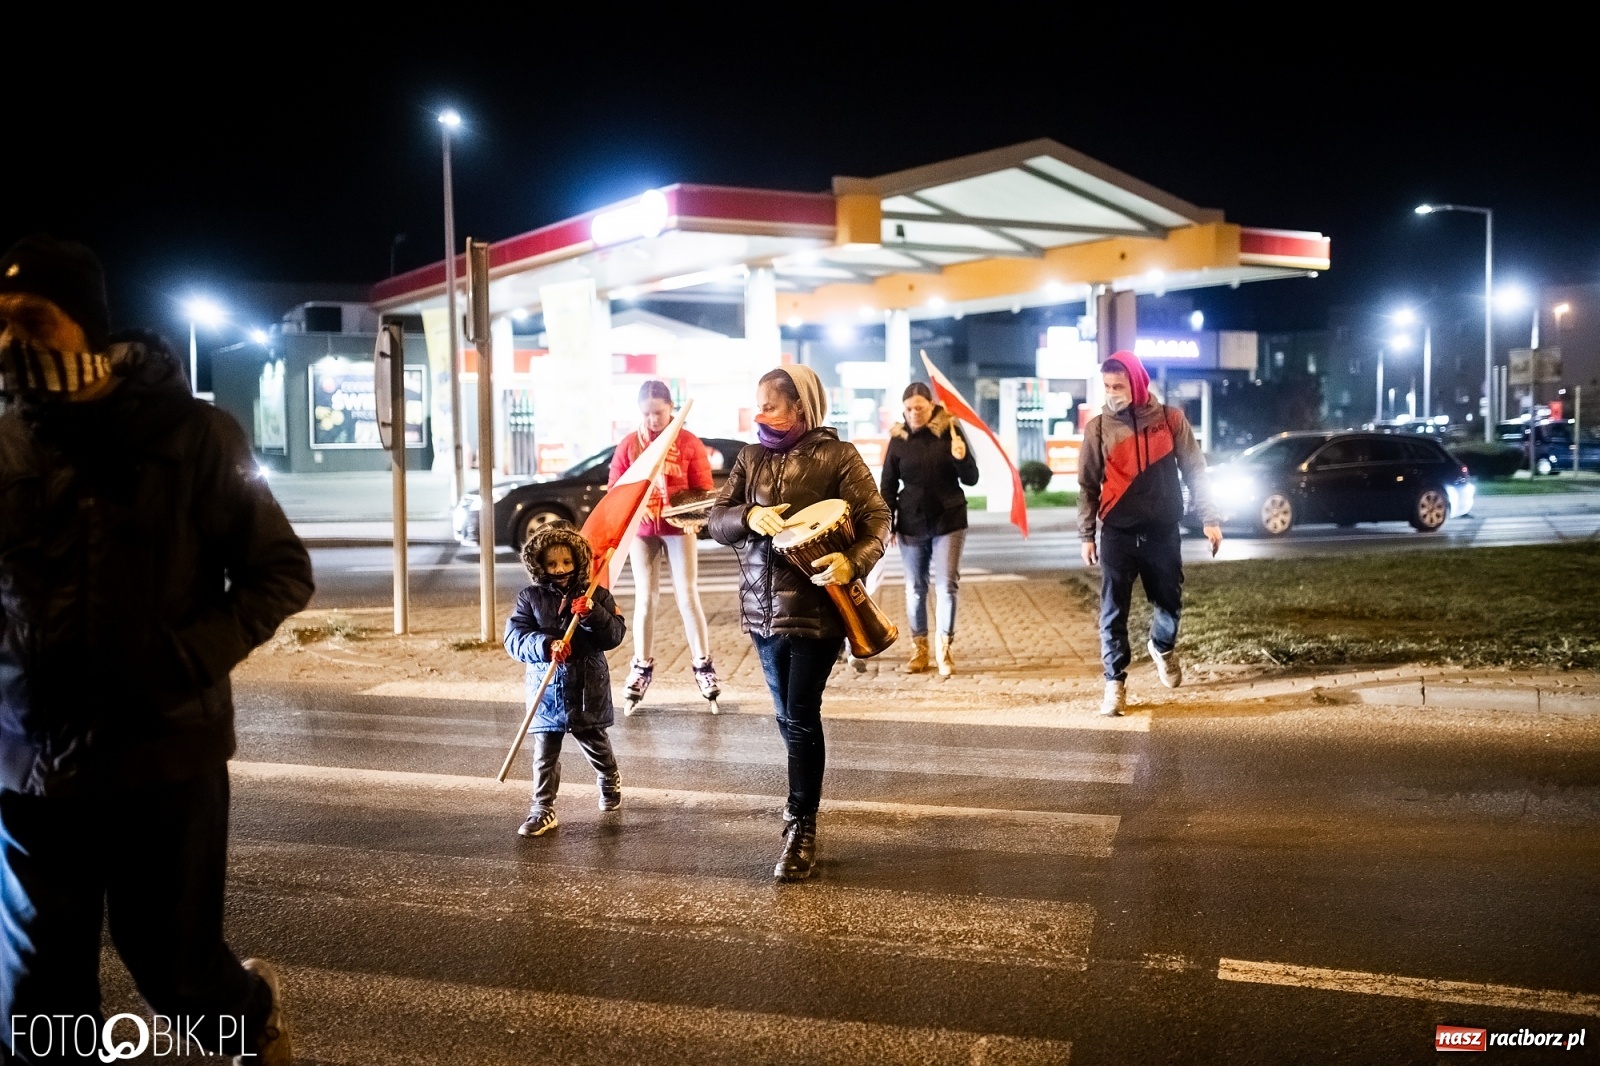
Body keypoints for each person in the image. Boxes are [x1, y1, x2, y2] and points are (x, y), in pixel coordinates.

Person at [0, 235, 312, 1065]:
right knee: (37, 996)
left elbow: (279, 572)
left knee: (176, 973)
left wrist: (187, 658)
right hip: (30, 770)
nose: (9, 345)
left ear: (85, 327)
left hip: (165, 756)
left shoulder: (198, 436)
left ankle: (250, 1018)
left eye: (30, 322)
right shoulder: (6, 445)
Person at [709, 366, 890, 882]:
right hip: (760, 609)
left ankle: (801, 824)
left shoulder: (839, 456)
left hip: (816, 610)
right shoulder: (750, 457)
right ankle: (800, 803)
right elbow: (717, 520)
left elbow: (877, 517)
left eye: (771, 405)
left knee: (802, 713)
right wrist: (747, 517)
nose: (760, 414)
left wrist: (853, 561)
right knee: (787, 716)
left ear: (802, 406)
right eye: (758, 404)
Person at [1077, 350, 1222, 717]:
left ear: (1137, 383)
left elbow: (1195, 471)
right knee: (1113, 613)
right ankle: (1115, 683)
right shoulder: (1098, 428)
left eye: (1119, 385)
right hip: (1117, 535)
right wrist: (1086, 534)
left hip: (1161, 532)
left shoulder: (1170, 420)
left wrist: (1210, 517)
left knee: (1169, 604)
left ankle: (1162, 646)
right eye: (1108, 386)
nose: (1113, 393)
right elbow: (1088, 485)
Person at [504, 525, 627, 838]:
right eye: (552, 564)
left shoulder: (595, 594)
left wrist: (592, 614)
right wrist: (545, 645)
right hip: (546, 689)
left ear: (578, 562)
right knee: (545, 751)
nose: (559, 570)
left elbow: (613, 635)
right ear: (539, 565)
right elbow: (515, 637)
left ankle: (608, 777)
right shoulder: (529, 598)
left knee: (594, 741)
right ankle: (542, 807)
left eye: (566, 563)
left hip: (587, 687)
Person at [607, 380, 719, 712]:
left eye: (658, 412)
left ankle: (703, 666)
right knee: (645, 598)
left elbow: (703, 487)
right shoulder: (630, 444)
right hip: (643, 529)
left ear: (671, 408)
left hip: (678, 525)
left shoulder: (686, 442)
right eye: (647, 414)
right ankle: (641, 666)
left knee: (687, 594)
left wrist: (690, 508)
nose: (653, 420)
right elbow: (616, 488)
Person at [879, 382, 980, 676]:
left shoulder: (950, 430)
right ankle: (919, 649)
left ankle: (944, 649)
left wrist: (961, 459)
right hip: (911, 521)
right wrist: (890, 522)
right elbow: (888, 484)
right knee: (915, 588)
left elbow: (971, 478)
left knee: (946, 585)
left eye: (919, 408)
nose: (914, 414)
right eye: (909, 409)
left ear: (931, 405)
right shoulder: (898, 440)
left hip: (948, 519)